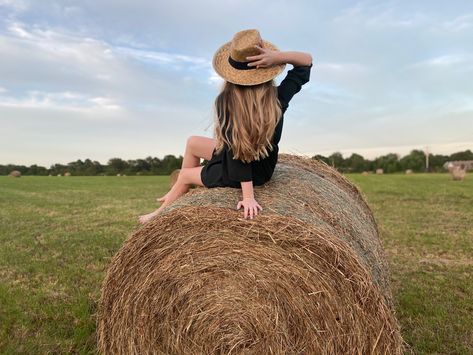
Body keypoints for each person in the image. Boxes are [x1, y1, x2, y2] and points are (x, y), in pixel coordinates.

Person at [138, 29, 312, 224]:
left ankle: (161, 212)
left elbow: (240, 153)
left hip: (250, 172)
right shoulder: (278, 97)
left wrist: (248, 196)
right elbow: (306, 62)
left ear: (232, 75)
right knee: (193, 142)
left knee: (185, 175)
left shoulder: (226, 101)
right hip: (260, 165)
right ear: (265, 70)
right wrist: (278, 57)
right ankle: (180, 193)